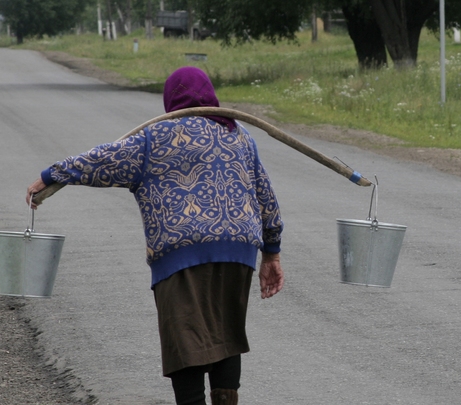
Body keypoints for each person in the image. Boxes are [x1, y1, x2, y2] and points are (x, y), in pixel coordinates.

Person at [26, 66, 284, 405]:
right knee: (225, 332)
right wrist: (272, 254)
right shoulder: (239, 137)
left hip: (182, 255)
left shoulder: (154, 139)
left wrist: (51, 175)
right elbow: (267, 199)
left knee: (185, 340)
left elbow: (101, 160)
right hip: (238, 252)